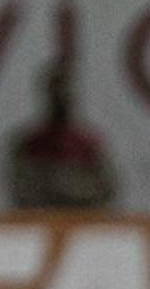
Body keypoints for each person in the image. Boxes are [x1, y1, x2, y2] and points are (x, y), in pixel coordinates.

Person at [6, 65, 117, 210]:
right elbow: (21, 191)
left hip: (81, 220)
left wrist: (71, 193)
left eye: (66, 94)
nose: (62, 99)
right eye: (56, 94)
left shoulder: (89, 144)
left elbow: (106, 190)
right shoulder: (28, 144)